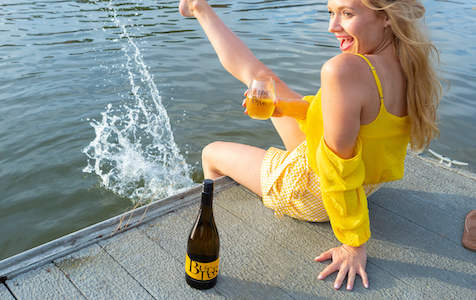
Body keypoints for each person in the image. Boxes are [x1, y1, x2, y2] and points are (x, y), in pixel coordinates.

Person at [179, 0, 441, 291]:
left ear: (387, 17)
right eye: (331, 12)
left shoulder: (344, 69)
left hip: (310, 188)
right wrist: (287, 109)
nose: (332, 26)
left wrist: (354, 244)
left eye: (347, 13)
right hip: (364, 178)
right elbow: (347, 118)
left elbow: (337, 168)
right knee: (263, 78)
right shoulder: (408, 61)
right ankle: (199, 7)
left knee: (212, 152)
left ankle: (211, 222)